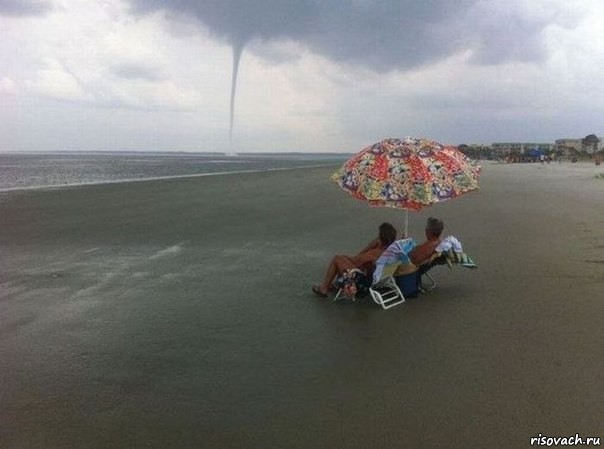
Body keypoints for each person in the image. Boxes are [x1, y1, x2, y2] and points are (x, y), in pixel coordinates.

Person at [312, 222, 397, 297]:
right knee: (343, 258)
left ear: (381, 238)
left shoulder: (375, 252)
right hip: (376, 279)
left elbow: (356, 260)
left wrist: (369, 246)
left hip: (362, 283)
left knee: (337, 259)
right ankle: (335, 285)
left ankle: (324, 288)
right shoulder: (392, 251)